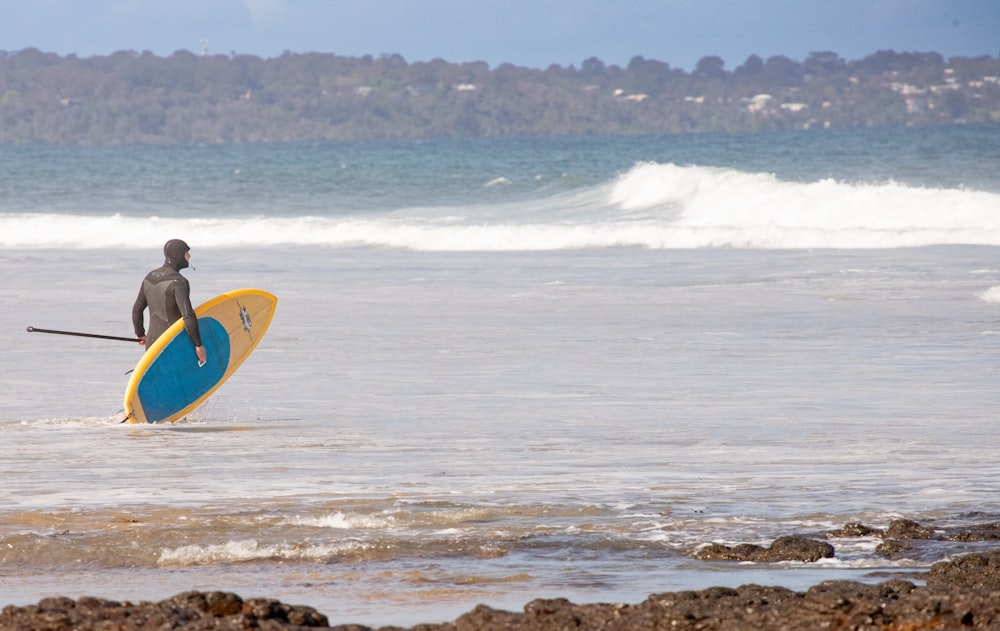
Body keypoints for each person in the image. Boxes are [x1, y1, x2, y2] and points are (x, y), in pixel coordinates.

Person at [131, 238, 207, 366]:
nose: (189, 256)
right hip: (173, 344)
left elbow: (137, 310)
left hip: (152, 344)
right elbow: (188, 316)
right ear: (178, 255)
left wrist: (140, 334)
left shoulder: (150, 277)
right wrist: (198, 345)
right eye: (186, 252)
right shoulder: (179, 282)